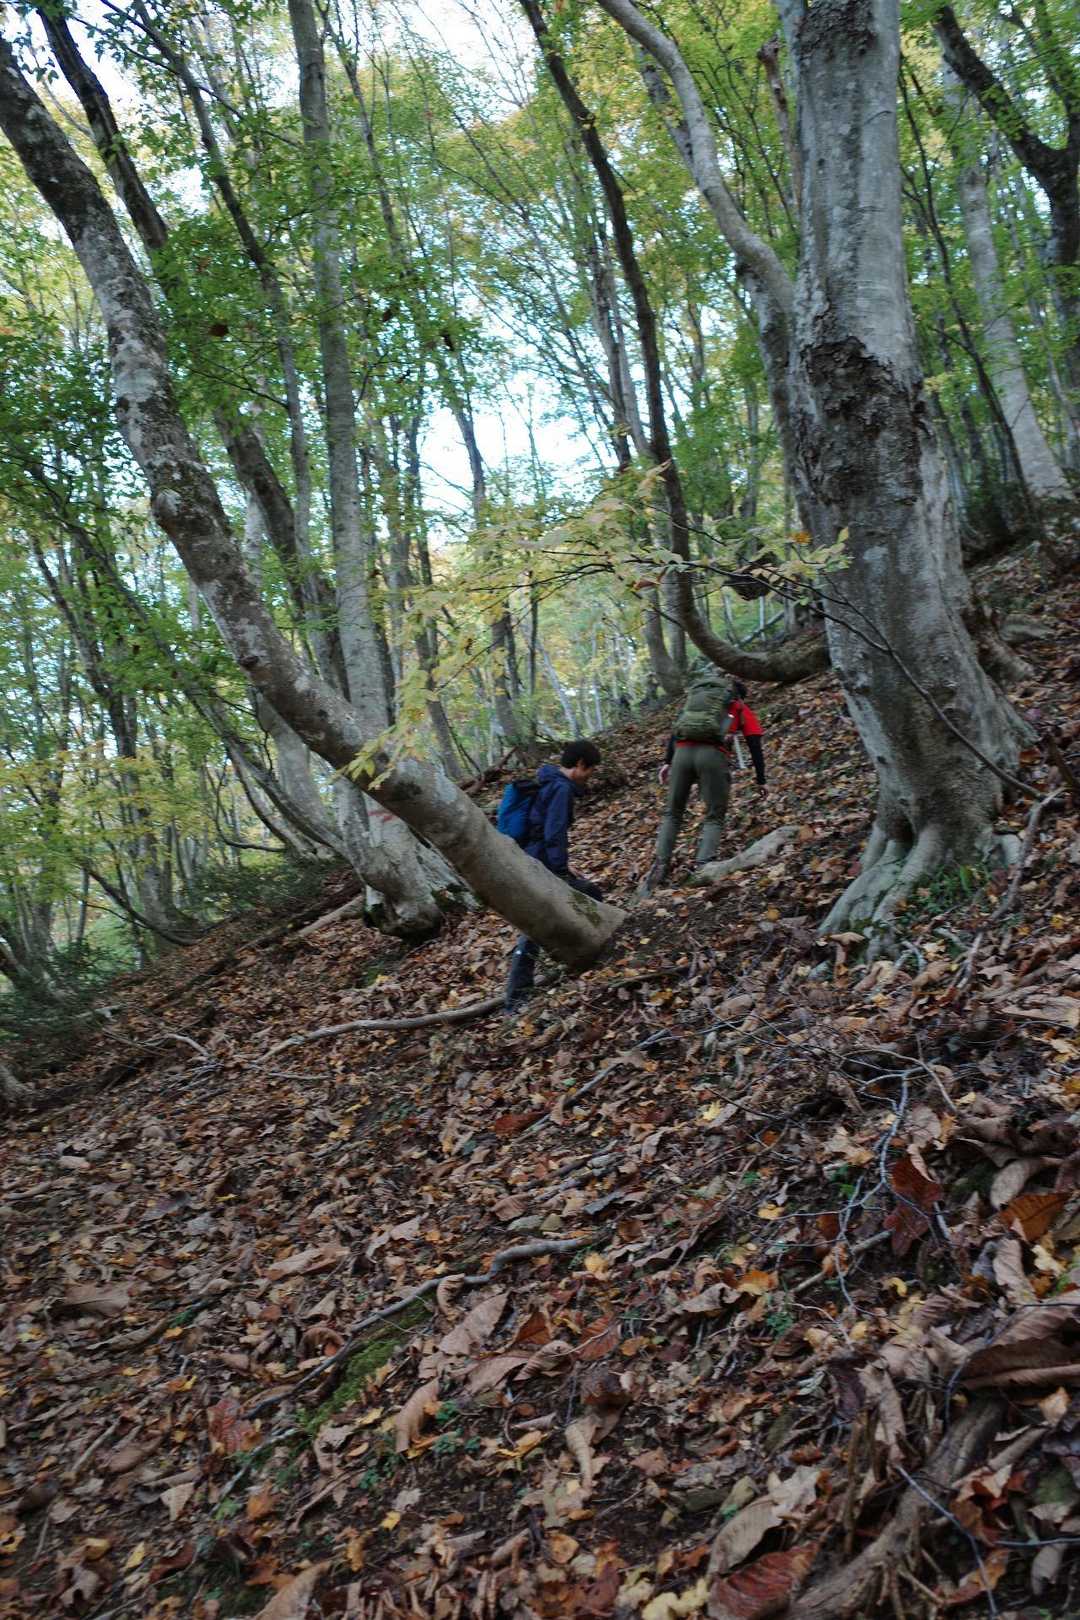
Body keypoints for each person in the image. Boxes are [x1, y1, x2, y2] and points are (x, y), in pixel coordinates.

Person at [504, 740, 603, 1013]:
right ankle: (515, 998)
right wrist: (559, 869)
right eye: (590, 770)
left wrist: (565, 866)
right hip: (541, 863)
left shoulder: (548, 781)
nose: (590, 776)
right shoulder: (561, 789)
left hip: (533, 857)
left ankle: (585, 949)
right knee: (535, 926)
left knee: (588, 894)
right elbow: (554, 832)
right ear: (580, 764)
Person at [644, 669, 766, 890]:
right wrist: (761, 779)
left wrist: (667, 762)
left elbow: (676, 730)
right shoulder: (738, 706)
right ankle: (703, 866)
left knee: (672, 812)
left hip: (681, 754)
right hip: (712, 756)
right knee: (714, 815)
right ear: (737, 695)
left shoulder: (695, 704)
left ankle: (660, 865)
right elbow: (754, 743)